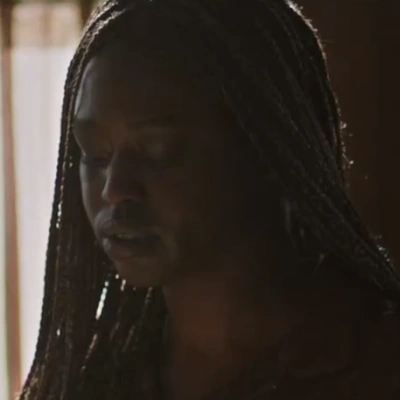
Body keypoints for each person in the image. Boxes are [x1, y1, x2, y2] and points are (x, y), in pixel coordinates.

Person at [19, 0, 400, 399]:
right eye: (96, 155)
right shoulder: (94, 380)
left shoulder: (378, 367)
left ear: (265, 150)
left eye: (160, 151)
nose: (115, 189)